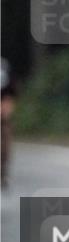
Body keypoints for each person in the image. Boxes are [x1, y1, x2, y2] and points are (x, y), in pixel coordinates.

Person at [1, 57, 16, 190]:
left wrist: (6, 108)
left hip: (2, 108)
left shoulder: (3, 67)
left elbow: (10, 92)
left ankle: (4, 172)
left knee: (5, 135)